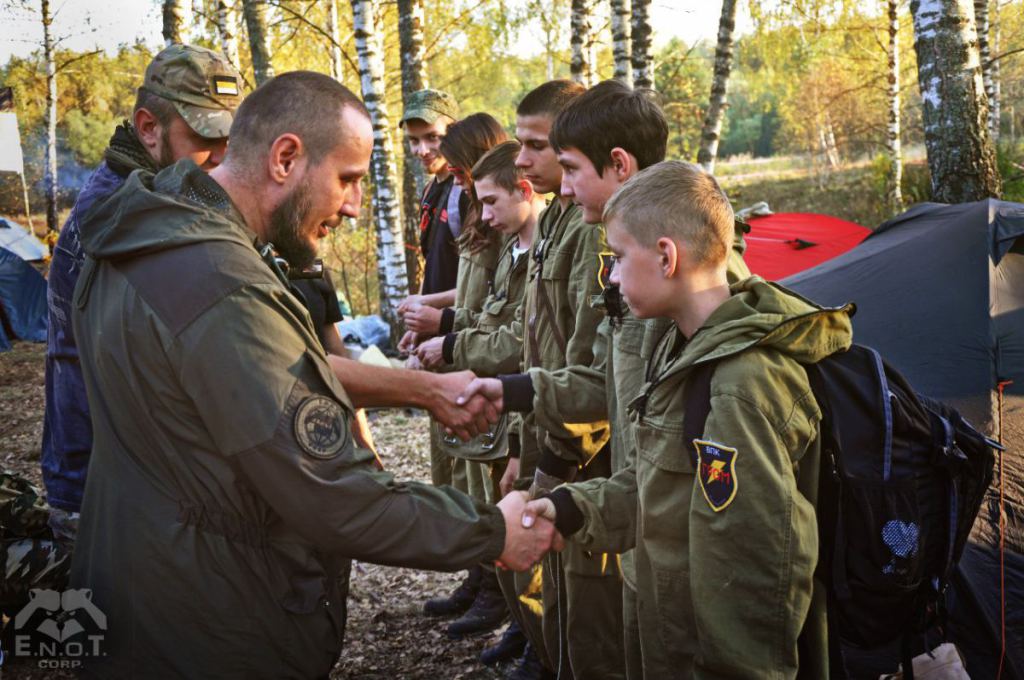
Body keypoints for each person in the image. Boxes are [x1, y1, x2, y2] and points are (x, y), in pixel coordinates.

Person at [68, 71, 559, 678]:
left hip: (132, 586)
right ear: (285, 159)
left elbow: (253, 370)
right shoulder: (222, 287)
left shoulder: (140, 238)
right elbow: (332, 493)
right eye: (347, 180)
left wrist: (422, 389)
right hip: (209, 623)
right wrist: (490, 531)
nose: (354, 205)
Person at [459, 80, 751, 680]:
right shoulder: (643, 270)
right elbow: (604, 381)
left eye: (568, 167)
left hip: (658, 545)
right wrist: (515, 397)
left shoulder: (687, 293)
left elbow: (751, 540)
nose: (558, 187)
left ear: (618, 165)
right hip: (625, 517)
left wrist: (554, 473)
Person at [521, 160, 848, 679]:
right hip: (671, 636)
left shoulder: (741, 383)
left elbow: (755, 568)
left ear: (666, 256)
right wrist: (569, 510)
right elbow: (664, 485)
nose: (613, 274)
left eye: (620, 258)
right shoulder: (682, 350)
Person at [41, 43, 242, 547]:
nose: (221, 156)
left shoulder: (154, 191)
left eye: (230, 139)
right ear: (149, 128)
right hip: (102, 487)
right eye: (205, 137)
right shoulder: (118, 214)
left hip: (128, 474)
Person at [416, 140, 546, 654]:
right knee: (484, 499)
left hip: (523, 400)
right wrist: (444, 328)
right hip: (509, 396)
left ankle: (533, 631)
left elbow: (522, 337)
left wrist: (449, 338)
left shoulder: (543, 241)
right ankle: (514, 613)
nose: (483, 215)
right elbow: (490, 312)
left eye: (489, 202)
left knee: (523, 517)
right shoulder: (517, 240)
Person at [407, 113, 512, 637]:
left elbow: (499, 302)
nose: (452, 172)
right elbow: (472, 292)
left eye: (461, 166)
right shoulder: (470, 206)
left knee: (492, 483)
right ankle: (481, 579)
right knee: (464, 479)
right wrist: (433, 314)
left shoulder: (498, 213)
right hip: (462, 348)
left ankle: (506, 597)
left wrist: (443, 322)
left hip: (482, 357)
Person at [397, 89, 465, 361]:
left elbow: (486, 284)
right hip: (434, 334)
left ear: (455, 131)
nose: (422, 150)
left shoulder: (469, 192)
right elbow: (433, 263)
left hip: (462, 336)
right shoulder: (429, 190)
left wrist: (428, 307)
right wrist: (420, 326)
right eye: (414, 141)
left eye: (433, 138)